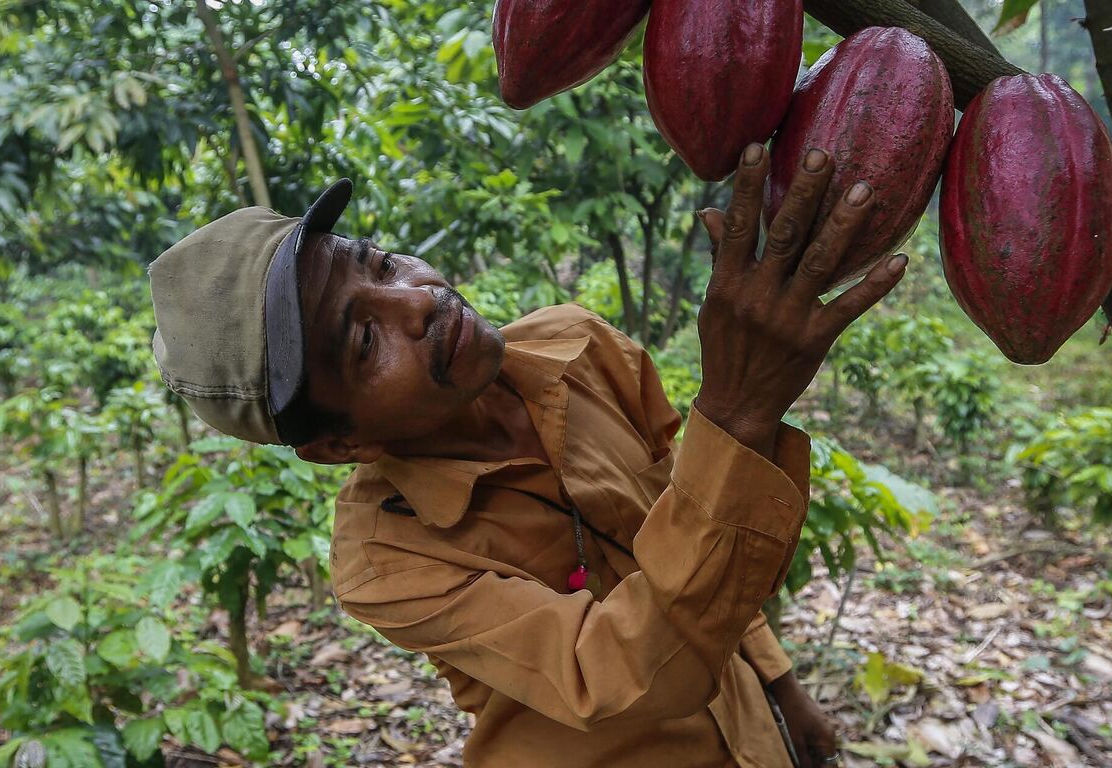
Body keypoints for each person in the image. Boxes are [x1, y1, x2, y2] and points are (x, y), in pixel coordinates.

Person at [145, 142, 907, 768]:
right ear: (342, 443)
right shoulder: (388, 560)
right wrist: (739, 413)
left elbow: (690, 513)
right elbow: (612, 672)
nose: (418, 299)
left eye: (379, 264)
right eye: (363, 338)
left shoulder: (580, 343)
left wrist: (781, 685)